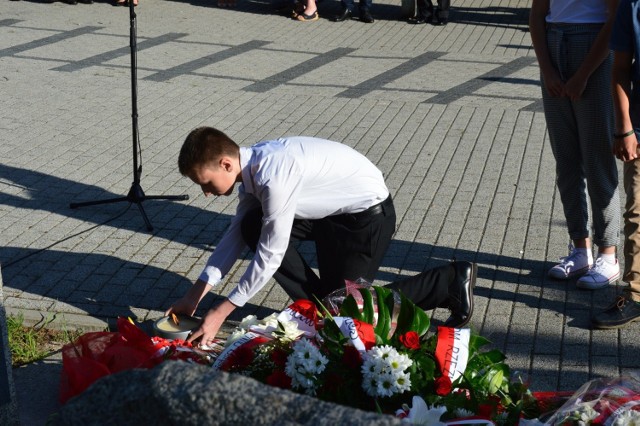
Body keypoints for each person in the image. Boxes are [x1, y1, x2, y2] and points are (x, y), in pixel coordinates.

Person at [165, 127, 476, 346]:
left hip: (366, 219)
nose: (205, 193)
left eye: (205, 183)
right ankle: (321, 309)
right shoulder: (249, 172)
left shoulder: (274, 175)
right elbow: (234, 238)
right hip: (331, 216)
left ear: (226, 164)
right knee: (251, 225)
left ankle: (447, 281)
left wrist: (224, 310)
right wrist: (194, 296)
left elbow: (270, 255)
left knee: (348, 312)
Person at [529, 0, 621, 289]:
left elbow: (614, 19)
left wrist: (582, 75)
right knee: (566, 160)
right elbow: (537, 14)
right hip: (555, 41)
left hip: (593, 46)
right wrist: (547, 69)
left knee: (597, 161)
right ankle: (580, 248)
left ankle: (608, 254)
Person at [592, 0, 640, 329]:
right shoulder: (631, 5)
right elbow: (621, 67)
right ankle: (636, 292)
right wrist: (624, 127)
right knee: (637, 210)